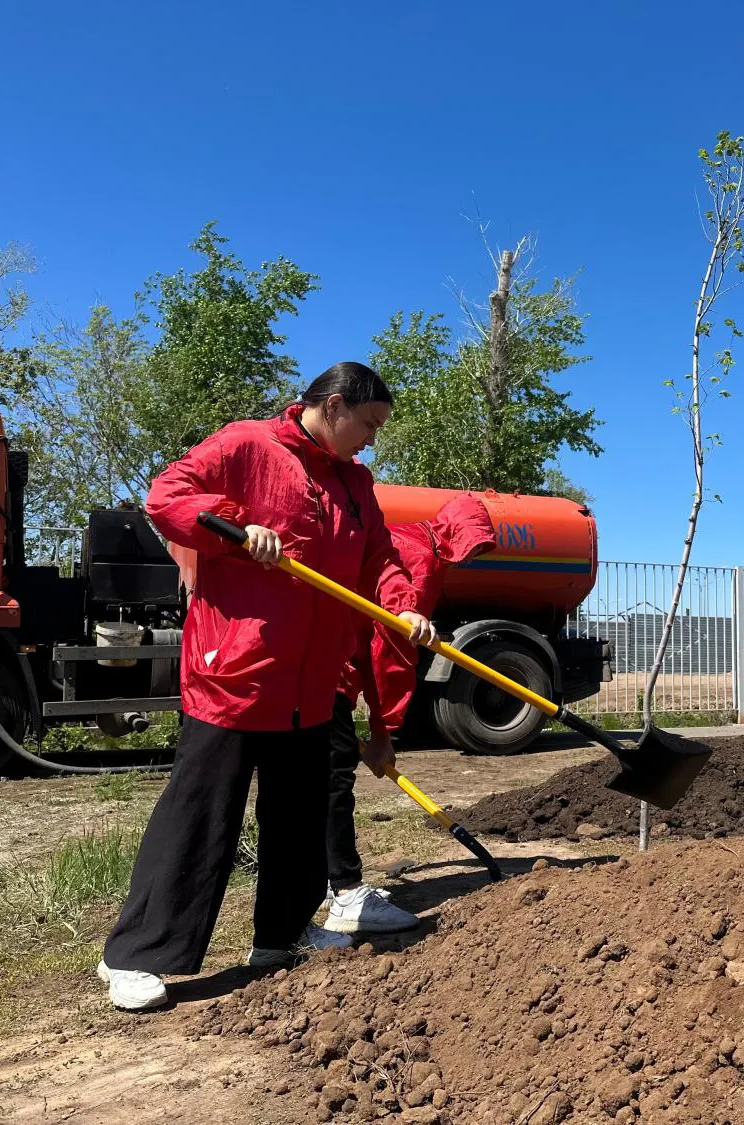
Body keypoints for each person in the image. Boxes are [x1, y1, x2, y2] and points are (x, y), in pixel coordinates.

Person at [97, 362, 436, 1011]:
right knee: (202, 815)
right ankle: (135, 955)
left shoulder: (357, 484)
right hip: (237, 674)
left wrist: (404, 603)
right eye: (368, 424)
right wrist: (230, 525)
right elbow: (166, 496)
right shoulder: (248, 446)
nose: (371, 439)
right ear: (335, 405)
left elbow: (380, 559)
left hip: (310, 683)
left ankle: (279, 937)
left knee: (299, 821)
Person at [323, 493, 496, 934]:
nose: (471, 557)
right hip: (327, 671)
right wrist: (383, 733)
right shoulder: (419, 560)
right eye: (471, 545)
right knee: (333, 780)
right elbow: (391, 654)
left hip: (326, 662)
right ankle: (345, 896)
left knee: (320, 779)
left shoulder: (409, 538)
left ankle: (330, 883)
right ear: (454, 533)